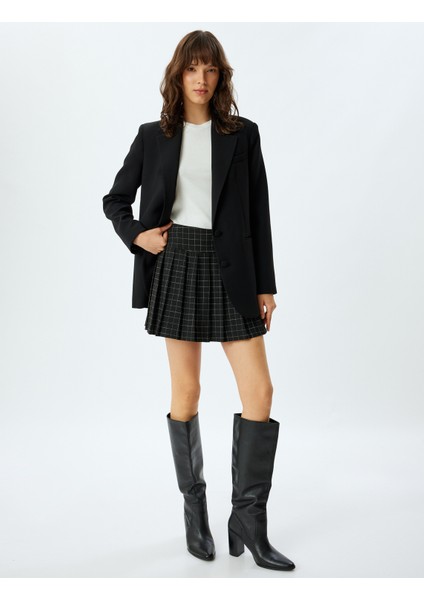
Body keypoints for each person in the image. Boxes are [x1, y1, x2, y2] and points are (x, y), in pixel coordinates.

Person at [102, 30, 295, 571]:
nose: (201, 79)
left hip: (233, 268)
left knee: (260, 391)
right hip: (178, 263)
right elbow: (115, 200)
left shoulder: (243, 135)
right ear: (178, 75)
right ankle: (195, 512)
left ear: (220, 76)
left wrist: (266, 285)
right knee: (187, 392)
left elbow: (259, 212)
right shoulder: (153, 136)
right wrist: (138, 236)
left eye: (210, 69)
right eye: (192, 69)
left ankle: (248, 520)